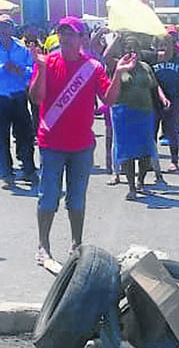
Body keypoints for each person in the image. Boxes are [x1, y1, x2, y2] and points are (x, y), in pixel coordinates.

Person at [28, 16, 127, 266]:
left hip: (81, 145)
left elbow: (109, 99)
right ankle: (43, 245)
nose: (65, 38)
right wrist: (39, 69)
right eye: (62, 33)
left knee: (77, 198)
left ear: (82, 38)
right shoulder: (47, 62)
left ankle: (76, 243)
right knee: (48, 197)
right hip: (51, 142)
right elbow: (36, 99)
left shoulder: (93, 67)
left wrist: (118, 74)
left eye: (71, 34)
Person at [106, 35, 168, 201]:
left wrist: (162, 98)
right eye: (128, 48)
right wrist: (117, 38)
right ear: (123, 50)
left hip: (145, 112)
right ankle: (131, 187)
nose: (132, 51)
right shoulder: (118, 65)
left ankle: (141, 182)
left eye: (135, 48)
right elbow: (105, 56)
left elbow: (155, 86)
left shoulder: (146, 67)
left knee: (145, 152)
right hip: (124, 113)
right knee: (128, 152)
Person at [0, 14, 36, 183]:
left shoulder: (22, 48)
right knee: (0, 136)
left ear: (12, 28)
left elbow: (33, 71)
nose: (3, 30)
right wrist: (1, 68)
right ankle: (7, 172)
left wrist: (21, 71)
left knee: (25, 135)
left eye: (6, 26)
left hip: (18, 97)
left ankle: (28, 170)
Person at [153, 33, 179, 172]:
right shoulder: (152, 60)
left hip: (174, 99)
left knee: (172, 131)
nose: (163, 48)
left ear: (173, 47)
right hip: (154, 99)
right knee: (151, 131)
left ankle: (174, 161)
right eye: (160, 45)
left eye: (166, 45)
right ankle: (150, 160)